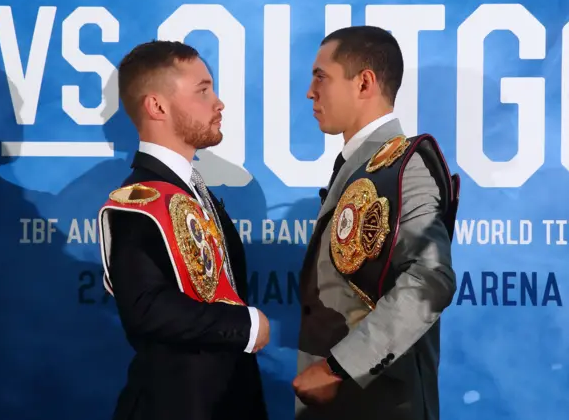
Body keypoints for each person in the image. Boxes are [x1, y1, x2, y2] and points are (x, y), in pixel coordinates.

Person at [292, 26, 460, 420]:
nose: (310, 92)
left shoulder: (405, 168)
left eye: (321, 77)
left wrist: (340, 366)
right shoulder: (361, 167)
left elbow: (431, 279)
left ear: (364, 82)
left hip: (379, 403)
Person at [97, 40, 270, 420]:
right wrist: (246, 325)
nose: (218, 103)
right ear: (157, 106)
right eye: (203, 91)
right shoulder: (138, 202)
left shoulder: (193, 189)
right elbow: (144, 308)